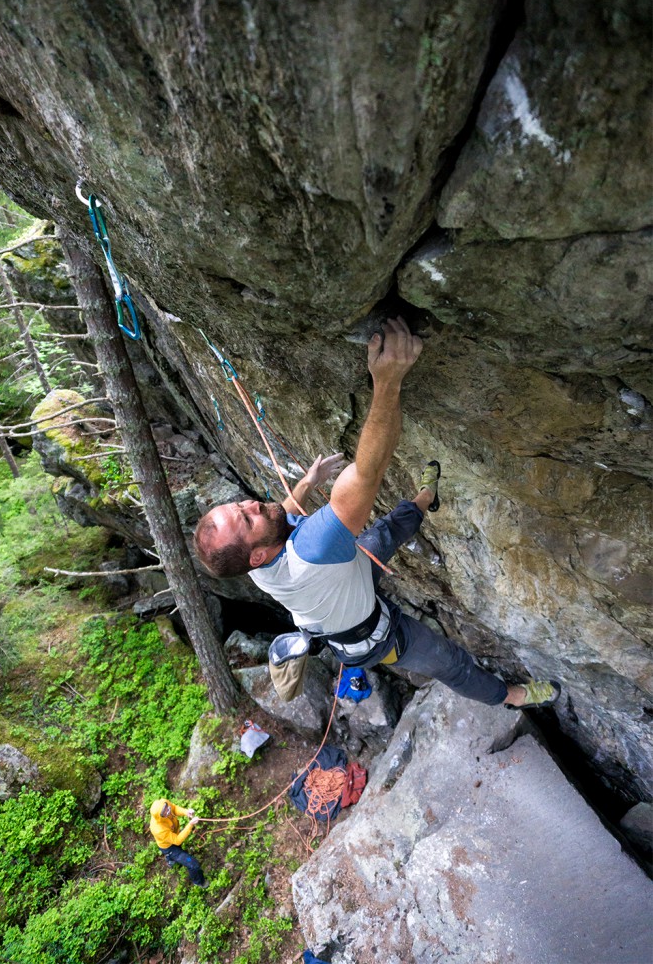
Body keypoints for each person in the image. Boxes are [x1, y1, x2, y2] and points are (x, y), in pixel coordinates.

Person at [195, 317, 560, 711]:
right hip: (375, 636)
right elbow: (368, 471)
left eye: (239, 505)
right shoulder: (314, 548)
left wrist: (306, 482)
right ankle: (514, 696)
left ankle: (425, 497)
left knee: (385, 533)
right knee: (451, 663)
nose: (251, 504)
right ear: (256, 556)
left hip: (343, 584)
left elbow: (276, 515)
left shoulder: (249, 560)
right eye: (247, 518)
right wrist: (387, 381)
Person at [149, 798, 207, 887]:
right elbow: (177, 840)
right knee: (193, 864)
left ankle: (171, 859)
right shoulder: (158, 829)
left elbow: (174, 809)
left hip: (174, 836)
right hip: (169, 847)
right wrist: (190, 825)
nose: (168, 811)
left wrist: (186, 812)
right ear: (160, 816)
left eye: (167, 807)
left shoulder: (164, 804)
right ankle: (199, 882)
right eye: (164, 812)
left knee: (178, 848)